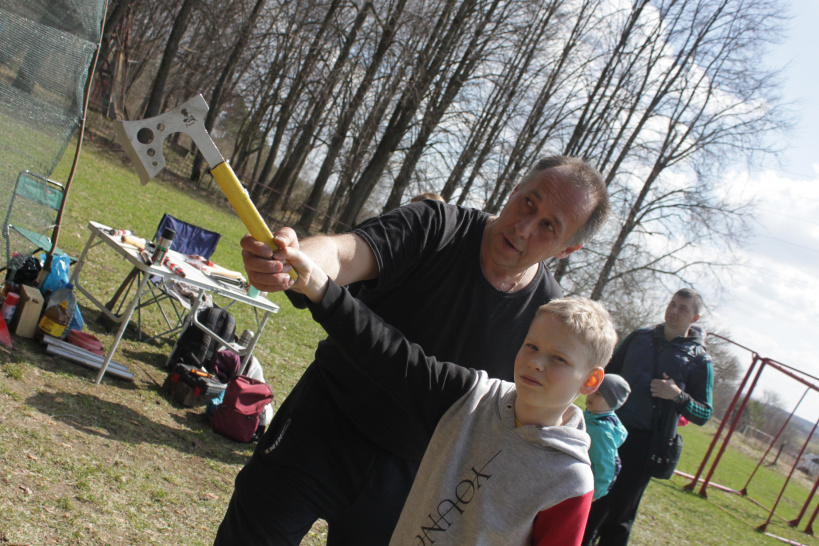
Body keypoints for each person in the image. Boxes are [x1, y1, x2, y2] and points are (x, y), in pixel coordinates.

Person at [215, 156, 611, 545]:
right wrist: (298, 262)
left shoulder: (543, 322)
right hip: (321, 426)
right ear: (515, 189)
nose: (524, 228)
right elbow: (345, 252)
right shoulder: (436, 226)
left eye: (548, 227)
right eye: (529, 202)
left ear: (566, 250)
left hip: (418, 481)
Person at [269, 240, 619, 544]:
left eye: (558, 358)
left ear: (590, 381)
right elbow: (392, 358)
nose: (537, 363)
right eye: (531, 346)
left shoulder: (570, 480)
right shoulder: (472, 398)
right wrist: (320, 287)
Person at [581, 288, 714, 546]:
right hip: (604, 431)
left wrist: (677, 396)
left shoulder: (700, 360)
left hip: (644, 445)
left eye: (683, 308)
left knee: (618, 518)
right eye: (672, 304)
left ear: (694, 318)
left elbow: (704, 414)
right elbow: (606, 372)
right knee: (586, 503)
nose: (674, 311)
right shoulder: (640, 337)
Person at [584, 373, 630, 501]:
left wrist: (595, 493)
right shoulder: (591, 416)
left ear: (611, 401)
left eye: (598, 394)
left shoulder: (601, 431)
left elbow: (606, 465)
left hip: (581, 487)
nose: (591, 396)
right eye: (592, 390)